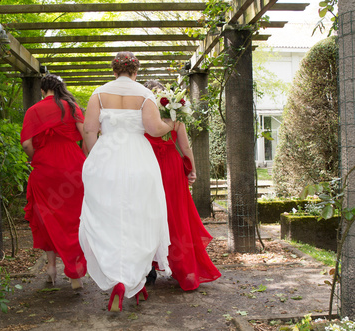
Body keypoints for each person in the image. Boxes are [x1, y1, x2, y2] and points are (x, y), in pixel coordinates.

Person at [79, 51, 174, 312]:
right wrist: (173, 122)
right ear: (135, 71)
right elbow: (154, 129)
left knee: (108, 217)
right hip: (138, 159)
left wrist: (93, 158)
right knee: (139, 216)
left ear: (114, 70)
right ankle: (135, 278)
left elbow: (88, 129)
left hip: (106, 157)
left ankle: (120, 281)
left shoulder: (98, 93)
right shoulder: (145, 94)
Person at [144, 79, 221, 291]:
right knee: (176, 216)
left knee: (147, 215)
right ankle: (182, 268)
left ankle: (147, 270)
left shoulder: (141, 114)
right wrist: (192, 170)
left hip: (147, 166)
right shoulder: (174, 114)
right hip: (171, 167)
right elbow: (185, 146)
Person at [20, 74, 87, 290]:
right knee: (73, 218)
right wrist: (86, 160)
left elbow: (26, 144)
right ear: (61, 88)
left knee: (47, 217)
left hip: (45, 168)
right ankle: (74, 271)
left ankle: (51, 268)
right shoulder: (72, 107)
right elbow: (85, 136)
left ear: (42, 90)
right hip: (73, 168)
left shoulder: (33, 110)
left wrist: (35, 158)